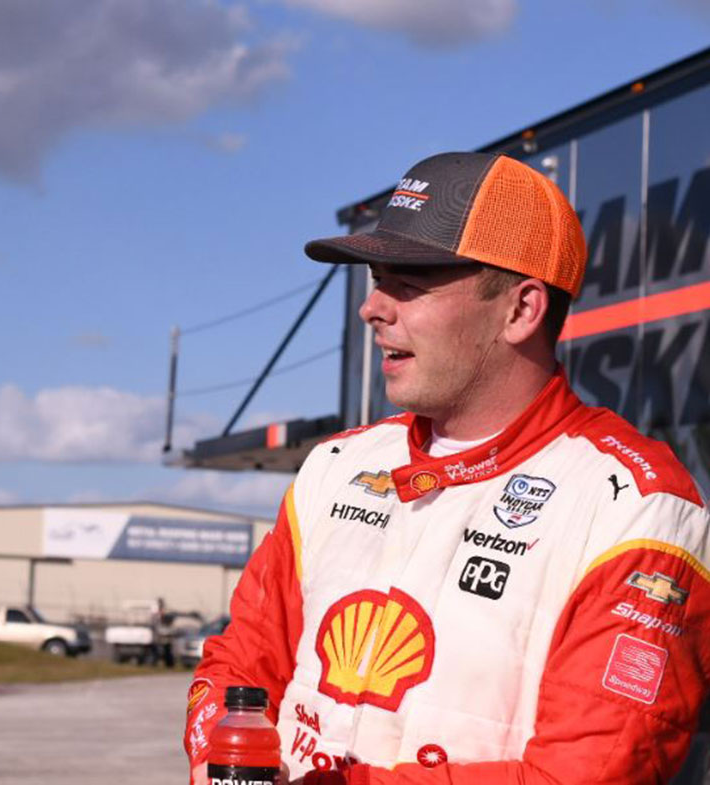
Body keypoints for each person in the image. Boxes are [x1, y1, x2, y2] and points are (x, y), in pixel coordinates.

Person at [184, 151, 710, 784]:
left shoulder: (638, 505)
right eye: (376, 281)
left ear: (521, 310)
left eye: (408, 285)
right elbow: (238, 669)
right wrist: (222, 760)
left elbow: (587, 772)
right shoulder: (336, 465)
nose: (372, 309)